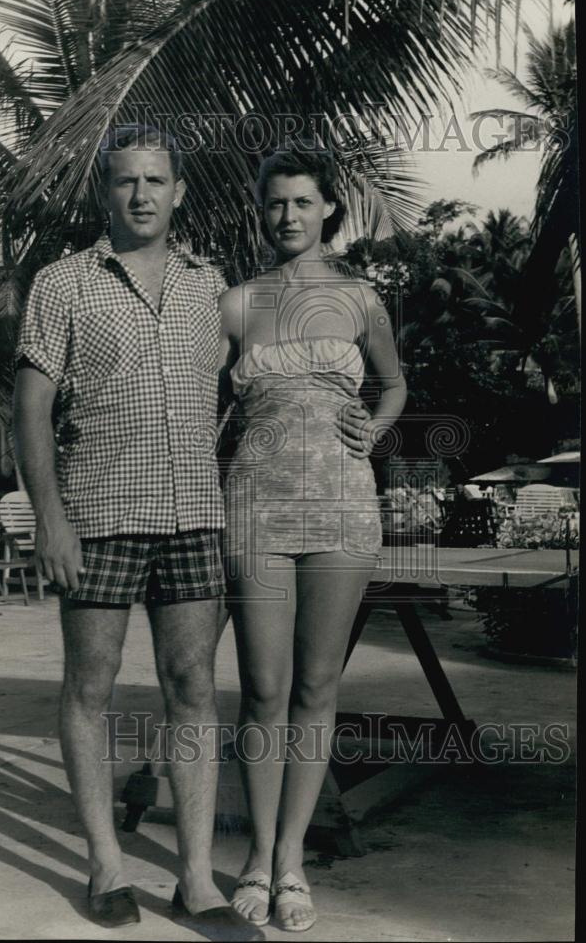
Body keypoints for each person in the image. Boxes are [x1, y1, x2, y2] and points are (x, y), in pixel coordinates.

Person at [13, 124, 263, 940]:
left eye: (156, 180)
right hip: (98, 515)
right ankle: (106, 864)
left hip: (193, 514)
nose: (142, 194)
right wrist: (50, 518)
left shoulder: (211, 286)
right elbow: (32, 414)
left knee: (191, 686)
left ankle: (194, 878)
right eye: (126, 182)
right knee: (90, 685)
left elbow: (253, 387)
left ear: (178, 191)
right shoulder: (61, 285)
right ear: (105, 194)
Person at [218, 146, 407, 932]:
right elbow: (205, 414)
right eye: (274, 203)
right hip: (255, 507)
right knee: (262, 688)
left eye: (302, 202)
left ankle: (292, 863)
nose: (287, 216)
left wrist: (375, 429)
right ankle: (257, 859)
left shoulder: (362, 299)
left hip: (341, 507)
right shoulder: (233, 304)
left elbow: (393, 384)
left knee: (315, 690)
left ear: (329, 209)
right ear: (260, 212)